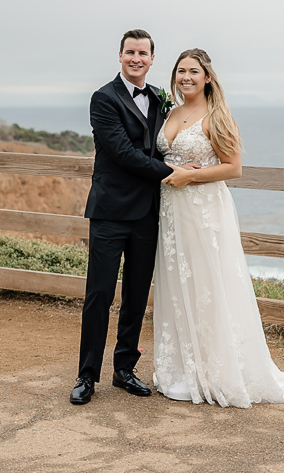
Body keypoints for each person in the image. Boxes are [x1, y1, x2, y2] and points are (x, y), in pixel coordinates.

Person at [152, 48, 284, 408]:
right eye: (181, 71)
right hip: (171, 212)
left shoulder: (217, 115)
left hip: (203, 210)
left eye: (193, 71)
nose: (185, 77)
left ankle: (216, 370)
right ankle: (183, 368)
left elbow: (233, 168)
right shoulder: (170, 112)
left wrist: (192, 175)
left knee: (207, 285)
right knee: (179, 284)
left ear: (207, 78)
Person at [71, 29, 196, 404]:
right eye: (130, 52)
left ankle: (124, 369)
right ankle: (86, 376)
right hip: (110, 211)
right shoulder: (103, 99)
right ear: (120, 56)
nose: (136, 58)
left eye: (143, 53)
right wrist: (173, 171)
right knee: (99, 294)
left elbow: (165, 141)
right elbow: (123, 152)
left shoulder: (160, 99)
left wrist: (187, 166)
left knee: (137, 296)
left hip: (148, 213)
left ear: (152, 59)